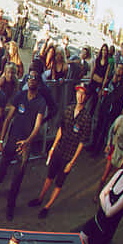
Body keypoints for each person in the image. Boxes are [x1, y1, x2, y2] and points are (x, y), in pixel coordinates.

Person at [0, 63, 48, 221]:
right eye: (29, 77)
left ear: (38, 82)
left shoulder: (41, 102)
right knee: (1, 168)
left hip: (24, 146)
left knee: (17, 177)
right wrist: (1, 140)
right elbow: (8, 119)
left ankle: (10, 206)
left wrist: (27, 142)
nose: (31, 80)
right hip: (11, 140)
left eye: (34, 78)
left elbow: (37, 126)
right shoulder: (20, 96)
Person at [27, 84, 92, 218]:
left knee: (59, 183)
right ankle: (40, 199)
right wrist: (52, 148)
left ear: (87, 97)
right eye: (79, 93)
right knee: (49, 177)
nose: (80, 96)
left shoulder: (86, 118)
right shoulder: (68, 110)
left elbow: (81, 143)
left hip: (69, 155)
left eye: (83, 94)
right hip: (58, 150)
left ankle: (47, 206)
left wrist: (72, 162)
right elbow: (61, 130)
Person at [80, 146, 123, 244]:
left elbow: (109, 213)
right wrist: (106, 197)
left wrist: (107, 194)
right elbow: (101, 194)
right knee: (79, 240)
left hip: (104, 232)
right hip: (96, 219)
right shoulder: (120, 173)